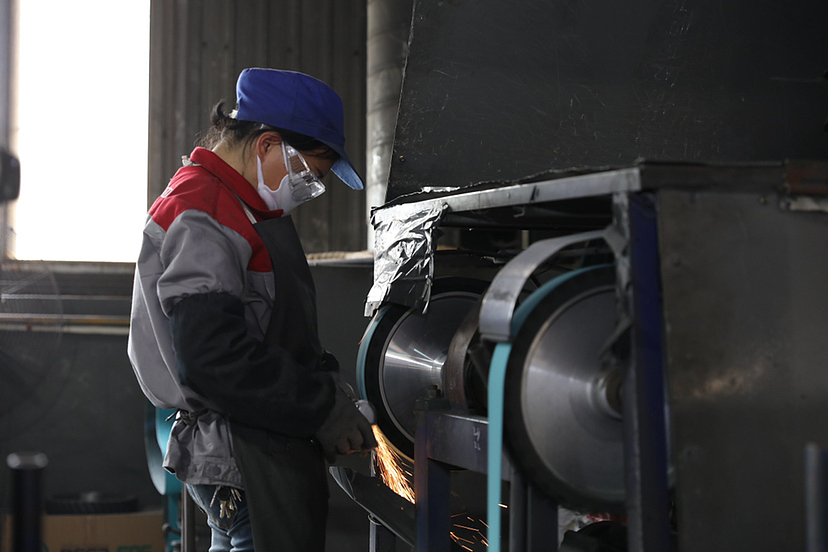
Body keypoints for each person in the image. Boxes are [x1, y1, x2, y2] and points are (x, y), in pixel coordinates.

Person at [128, 67, 377, 552]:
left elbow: (266, 331)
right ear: (266, 146)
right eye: (310, 175)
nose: (309, 190)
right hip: (242, 451)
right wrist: (320, 408)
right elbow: (214, 358)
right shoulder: (205, 210)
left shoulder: (243, 209)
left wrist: (327, 388)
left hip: (258, 439)